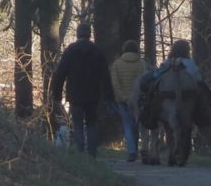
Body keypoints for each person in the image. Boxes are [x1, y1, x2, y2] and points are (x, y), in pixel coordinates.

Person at [52, 22, 114, 158]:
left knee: (77, 123)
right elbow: (105, 76)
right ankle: (92, 153)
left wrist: (56, 95)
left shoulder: (70, 51)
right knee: (92, 123)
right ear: (89, 34)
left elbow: (60, 74)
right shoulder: (98, 51)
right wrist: (109, 96)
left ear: (78, 34)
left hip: (75, 94)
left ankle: (80, 153)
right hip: (93, 94)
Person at [111, 40, 147, 162]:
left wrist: (123, 98)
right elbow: (144, 83)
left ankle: (132, 151)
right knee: (138, 124)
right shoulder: (142, 64)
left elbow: (115, 84)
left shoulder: (116, 64)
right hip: (138, 101)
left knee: (127, 124)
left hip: (123, 101)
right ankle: (142, 148)